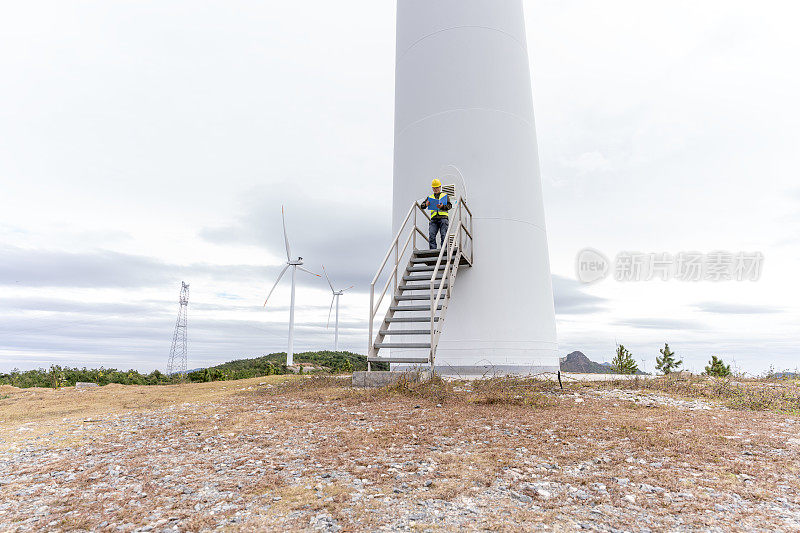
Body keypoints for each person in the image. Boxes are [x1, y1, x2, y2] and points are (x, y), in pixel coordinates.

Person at [420, 178, 452, 250]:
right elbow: (422, 206)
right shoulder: (430, 197)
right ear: (432, 188)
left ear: (440, 187)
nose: (436, 189)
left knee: (444, 235)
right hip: (434, 220)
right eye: (434, 188)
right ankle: (432, 250)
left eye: (437, 187)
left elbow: (449, 206)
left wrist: (442, 206)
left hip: (443, 219)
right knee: (431, 235)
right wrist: (426, 204)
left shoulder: (445, 196)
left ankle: (444, 250)